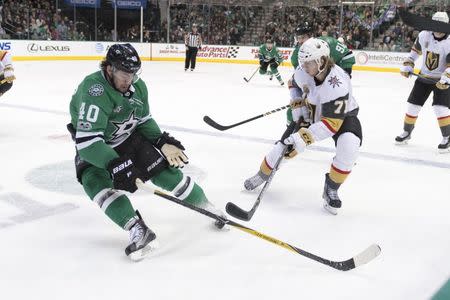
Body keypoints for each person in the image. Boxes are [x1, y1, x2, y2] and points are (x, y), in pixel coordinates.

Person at [68, 44, 225, 261]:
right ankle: (137, 228)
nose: (129, 80)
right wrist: (115, 164)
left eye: (133, 74)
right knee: (93, 182)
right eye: (124, 74)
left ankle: (207, 207)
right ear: (110, 69)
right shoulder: (94, 89)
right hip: (98, 147)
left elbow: (143, 120)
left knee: (164, 172)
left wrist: (161, 140)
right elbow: (87, 142)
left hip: (129, 139)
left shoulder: (138, 86)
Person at [244, 38, 362, 215]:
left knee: (349, 147)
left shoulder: (339, 83)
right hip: (312, 111)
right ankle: (262, 174)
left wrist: (304, 137)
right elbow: (293, 84)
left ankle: (331, 188)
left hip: (342, 116)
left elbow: (331, 124)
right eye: (302, 63)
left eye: (308, 63)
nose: (304, 67)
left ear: (322, 61)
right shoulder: (303, 71)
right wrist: (298, 105)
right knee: (284, 147)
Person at [396, 12, 450, 153]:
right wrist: (409, 63)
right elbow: (415, 51)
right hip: (424, 77)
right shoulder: (424, 35)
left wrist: (446, 78)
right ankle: (407, 132)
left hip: (441, 80)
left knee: (440, 108)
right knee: (412, 106)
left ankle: (447, 137)